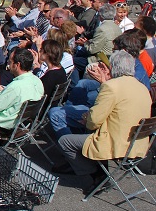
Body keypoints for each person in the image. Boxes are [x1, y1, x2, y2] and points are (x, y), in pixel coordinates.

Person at [54, 50, 151, 194]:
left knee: (65, 141)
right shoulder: (142, 88)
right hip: (137, 145)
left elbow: (93, 122)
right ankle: (97, 170)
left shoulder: (112, 87)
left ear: (113, 67)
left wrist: (88, 119)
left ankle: (98, 175)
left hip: (115, 144)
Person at [49, 30, 150, 139]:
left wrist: (104, 81)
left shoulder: (136, 75)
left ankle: (69, 139)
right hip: (118, 116)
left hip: (113, 123)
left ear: (123, 51)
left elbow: (114, 98)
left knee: (55, 113)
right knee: (84, 84)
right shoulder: (133, 67)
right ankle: (70, 117)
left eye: (114, 50)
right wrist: (107, 76)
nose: (112, 53)